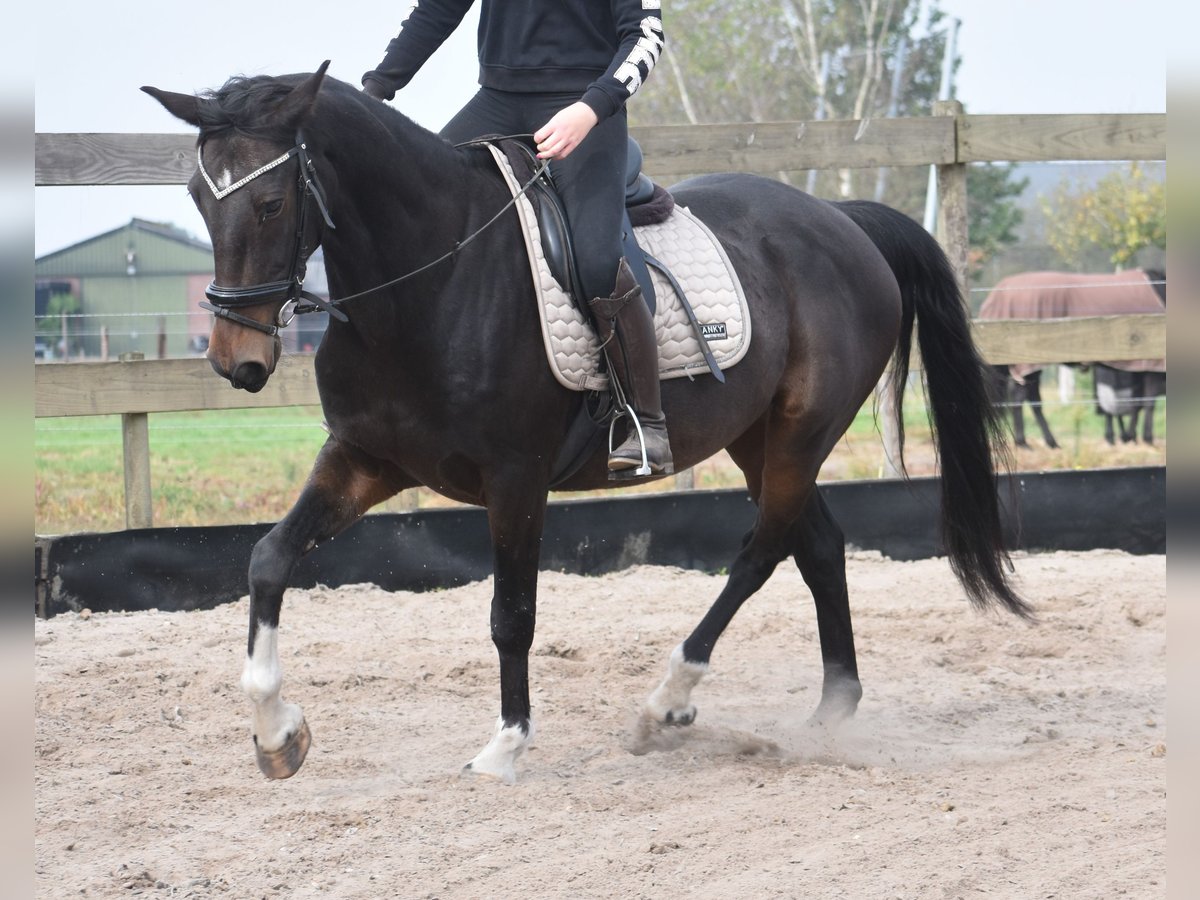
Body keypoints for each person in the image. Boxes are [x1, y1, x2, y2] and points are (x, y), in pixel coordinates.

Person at [362, 0, 673, 477]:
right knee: (414, 218)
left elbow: (646, 36)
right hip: (497, 100)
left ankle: (646, 423)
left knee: (595, 260)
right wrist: (375, 89)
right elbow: (436, 11)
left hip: (584, 108)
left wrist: (591, 109)